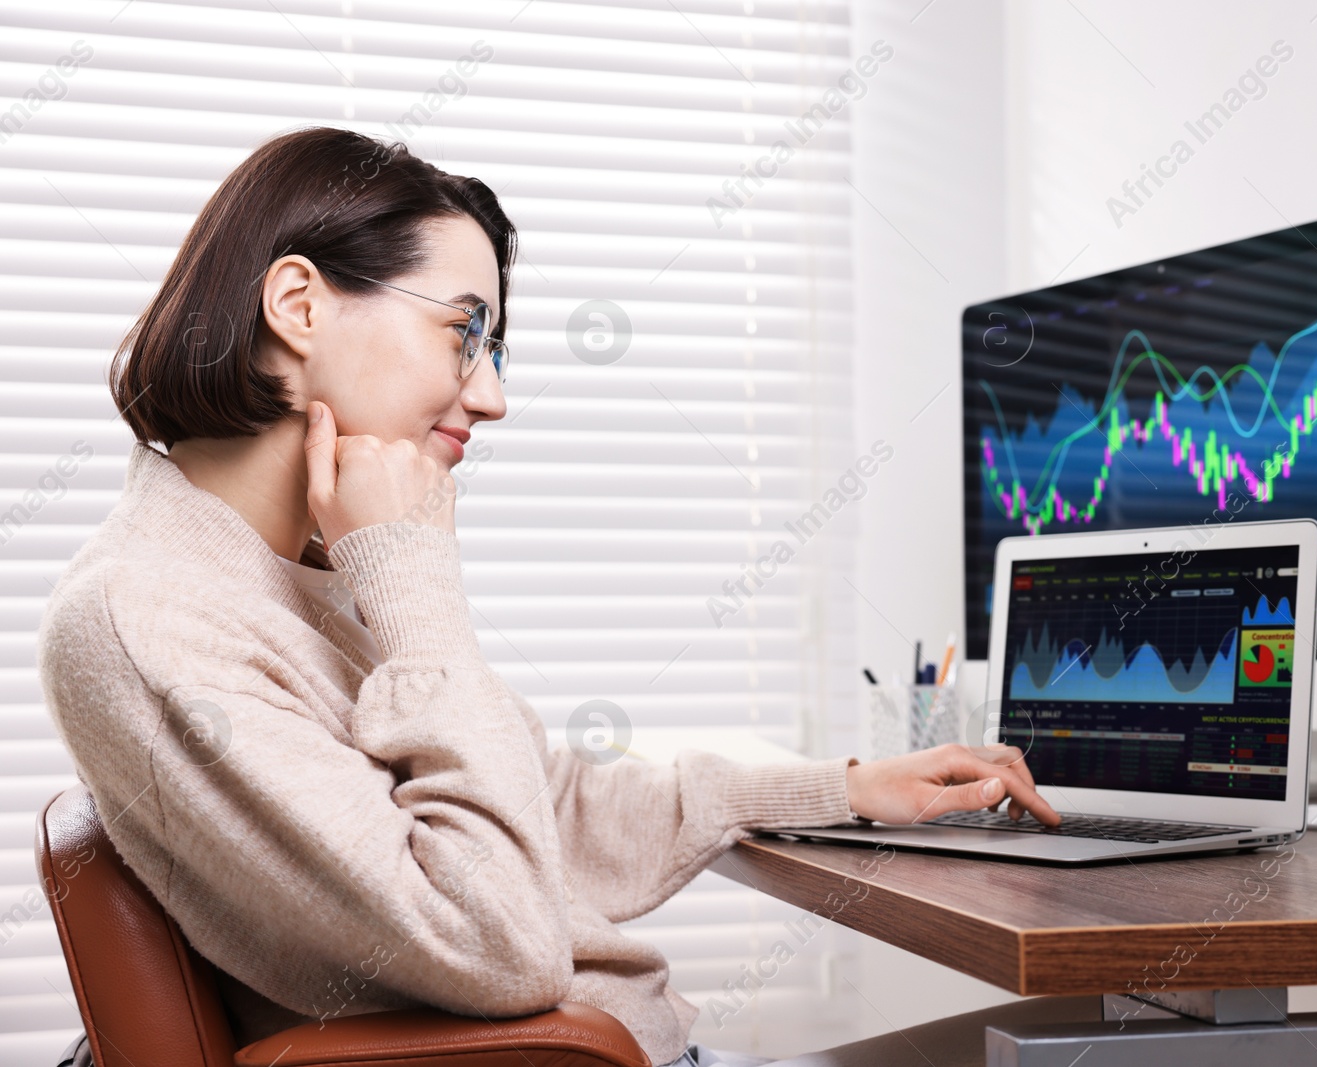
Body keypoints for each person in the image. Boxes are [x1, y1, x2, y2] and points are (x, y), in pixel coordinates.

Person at [37, 127, 1075, 1067]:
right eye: (463, 331)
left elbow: (551, 804)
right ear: (298, 304)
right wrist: (407, 575)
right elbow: (500, 943)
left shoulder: (277, 574)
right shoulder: (152, 614)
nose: (490, 395)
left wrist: (843, 788)